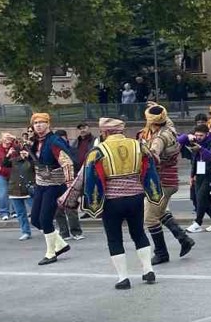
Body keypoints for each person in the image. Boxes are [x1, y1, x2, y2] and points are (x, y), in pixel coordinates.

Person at [61, 117, 164, 289]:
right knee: (139, 233)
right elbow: (153, 164)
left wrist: (69, 199)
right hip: (136, 198)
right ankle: (148, 270)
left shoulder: (98, 151)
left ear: (105, 132)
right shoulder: (138, 146)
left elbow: (83, 176)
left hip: (112, 201)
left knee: (114, 238)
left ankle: (123, 278)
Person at [139, 103, 194, 264]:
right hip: (170, 180)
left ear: (151, 122)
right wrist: (158, 107)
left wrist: (142, 150)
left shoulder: (159, 138)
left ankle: (161, 253)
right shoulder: (169, 129)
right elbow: (166, 119)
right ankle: (184, 239)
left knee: (150, 218)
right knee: (161, 212)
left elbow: (154, 156)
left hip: (161, 182)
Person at [26, 113, 76, 265]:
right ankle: (61, 244)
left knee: (45, 219)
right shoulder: (35, 141)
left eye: (42, 122)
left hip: (55, 184)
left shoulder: (55, 141)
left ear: (48, 124)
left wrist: (70, 185)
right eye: (36, 123)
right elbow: (37, 161)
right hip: (41, 183)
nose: (38, 125)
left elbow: (67, 163)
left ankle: (51, 253)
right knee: (35, 219)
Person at [179, 123, 211, 232]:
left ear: (207, 134)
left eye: (201, 135)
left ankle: (198, 222)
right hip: (199, 173)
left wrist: (200, 148)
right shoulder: (194, 140)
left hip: (210, 173)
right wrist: (187, 136)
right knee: (200, 199)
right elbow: (178, 140)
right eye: (197, 135)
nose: (198, 138)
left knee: (201, 197)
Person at [3, 141, 34, 240]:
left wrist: (30, 156)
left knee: (36, 210)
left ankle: (45, 228)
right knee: (20, 213)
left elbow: (38, 165)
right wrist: (8, 154)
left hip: (28, 189)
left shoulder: (32, 161)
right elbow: (5, 164)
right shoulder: (14, 160)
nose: (23, 153)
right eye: (21, 151)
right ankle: (25, 231)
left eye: (25, 151)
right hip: (15, 189)